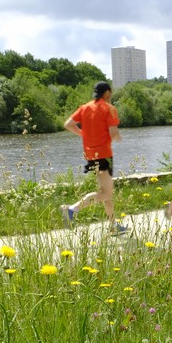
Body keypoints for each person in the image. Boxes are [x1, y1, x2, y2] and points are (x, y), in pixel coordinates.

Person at [60, 81, 128, 234]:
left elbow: (68, 124)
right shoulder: (109, 108)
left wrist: (83, 134)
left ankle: (113, 226)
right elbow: (113, 132)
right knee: (106, 193)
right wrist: (117, 137)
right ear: (107, 93)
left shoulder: (85, 108)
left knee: (106, 191)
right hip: (104, 155)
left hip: (91, 155)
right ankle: (72, 209)